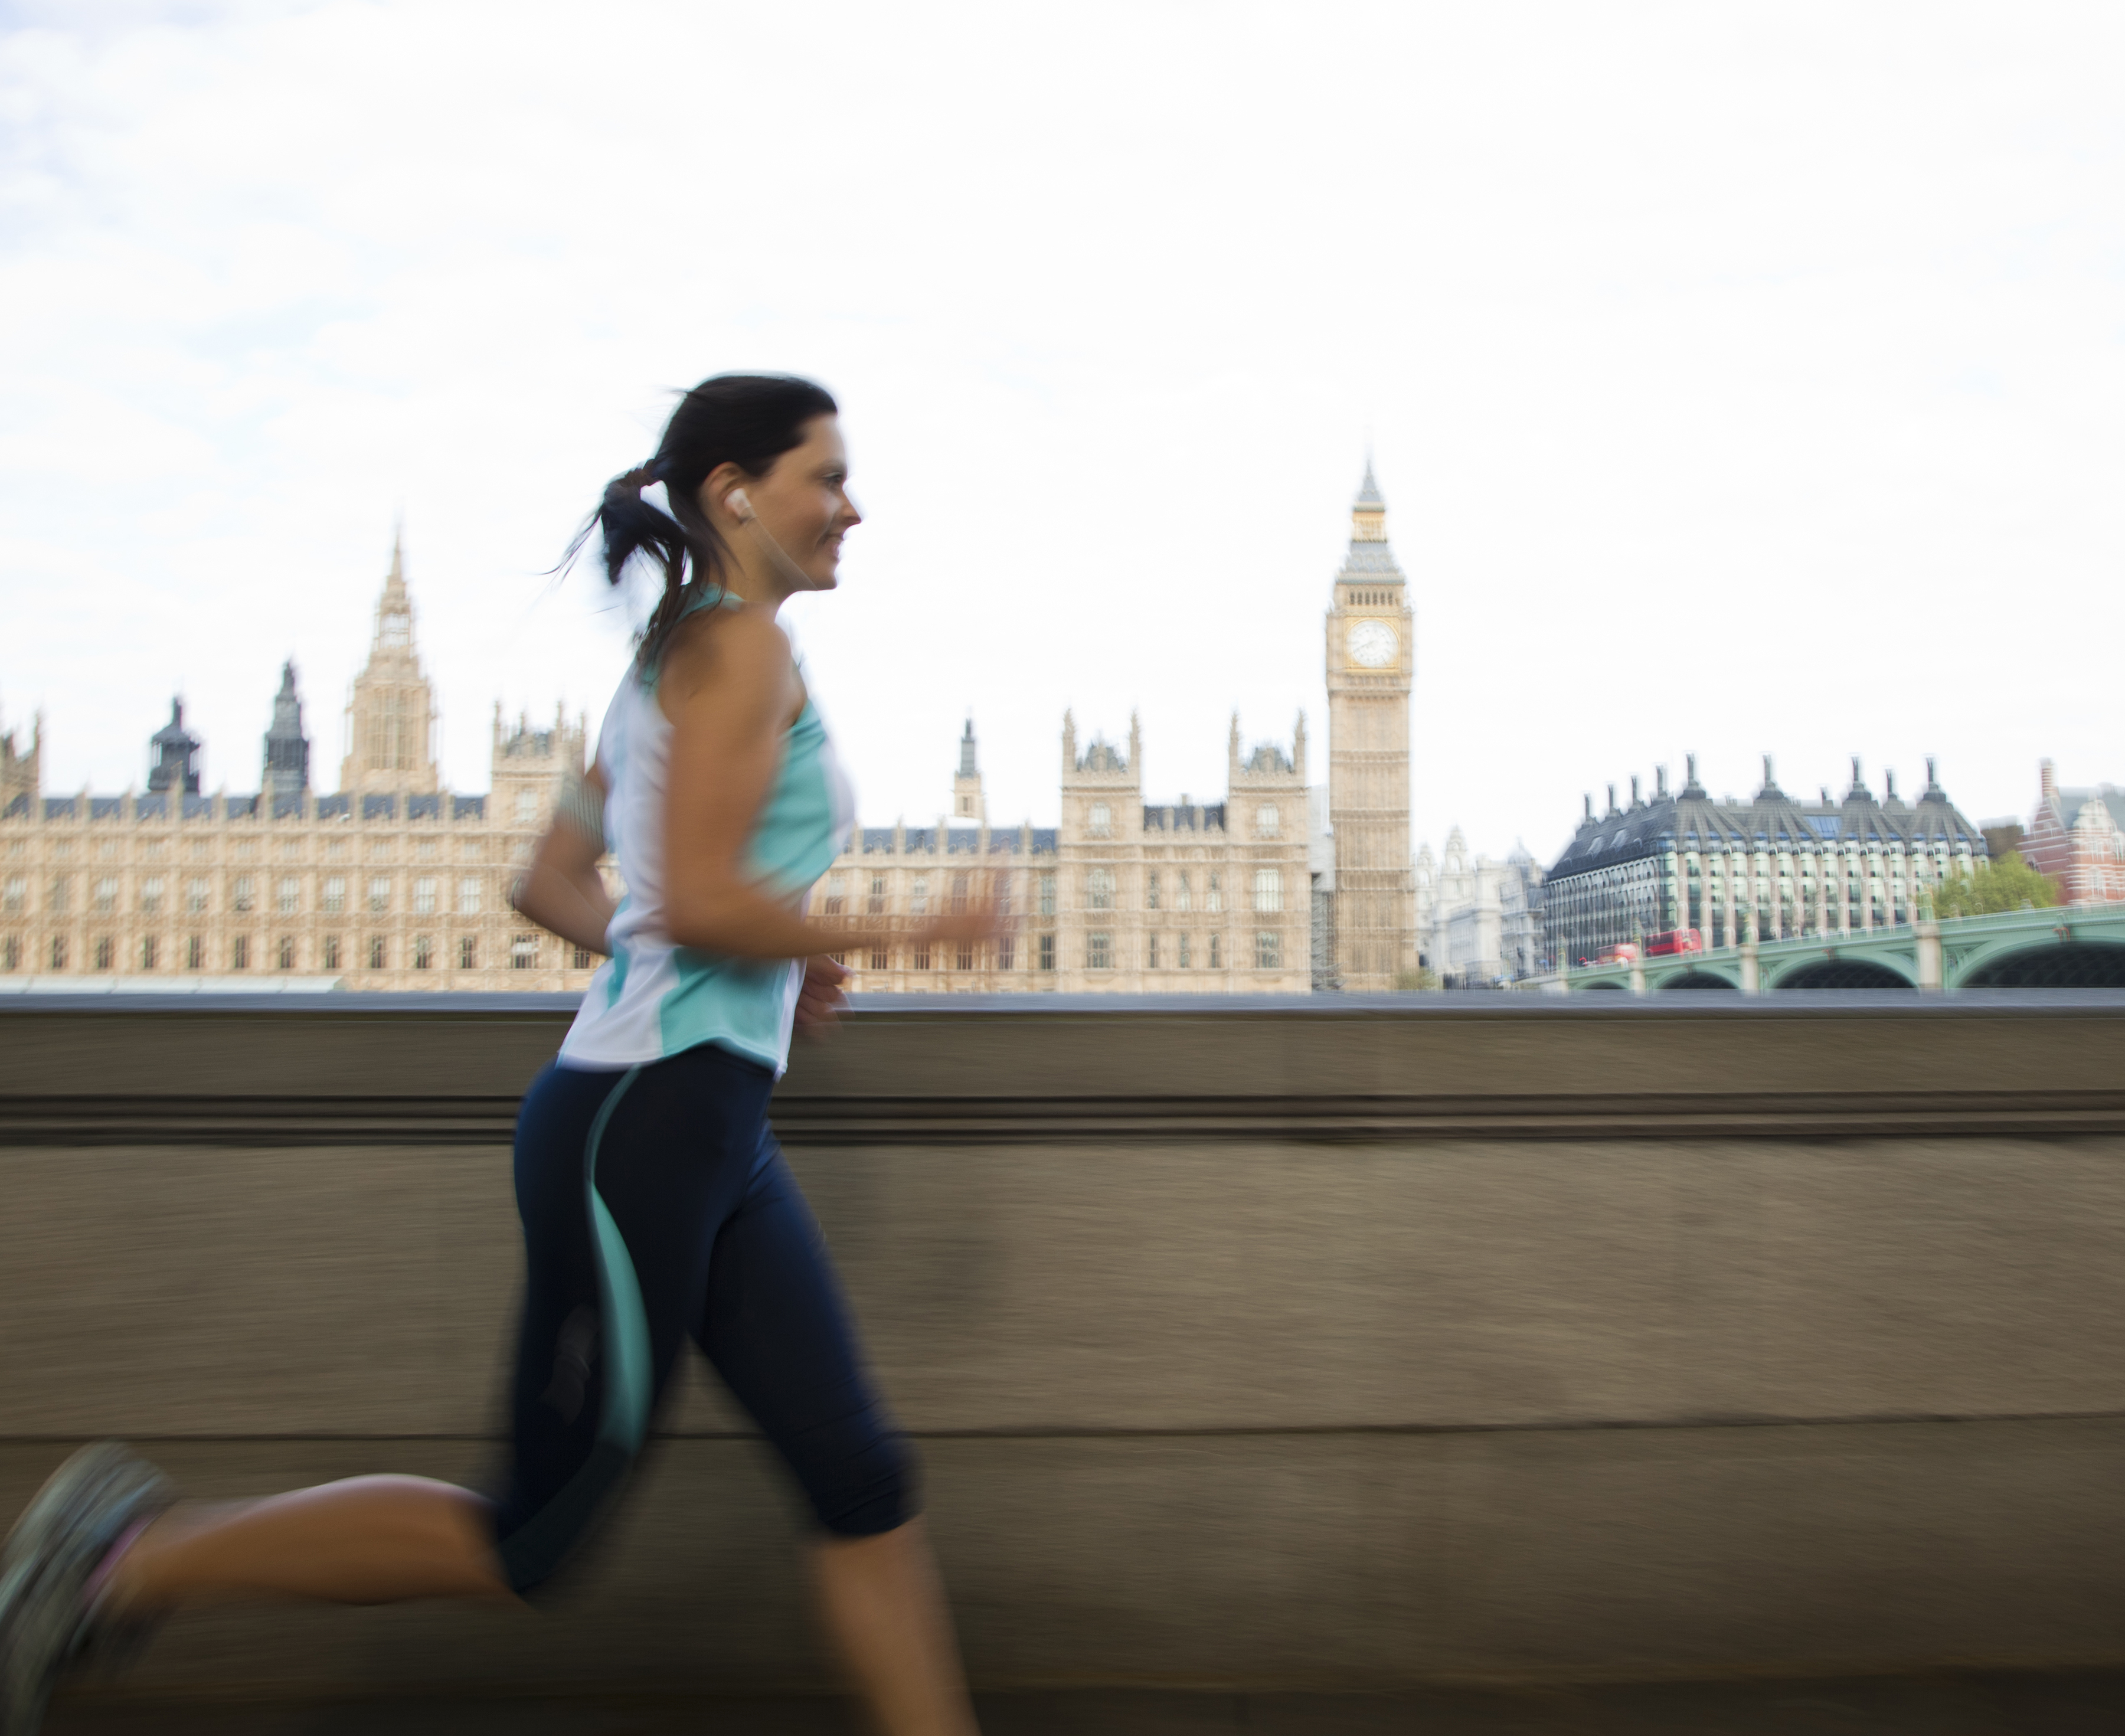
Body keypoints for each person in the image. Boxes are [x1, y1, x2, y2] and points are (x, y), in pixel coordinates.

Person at [0, 374, 997, 1736]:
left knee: (863, 1483)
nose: (851, 506)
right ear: (735, 493)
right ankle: (123, 1557)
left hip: (705, 1126)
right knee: (533, 1536)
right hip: (641, 1129)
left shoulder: (671, 653)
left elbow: (554, 883)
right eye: (826, 477)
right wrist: (907, 928)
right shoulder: (742, 653)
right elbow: (693, 899)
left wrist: (763, 946)